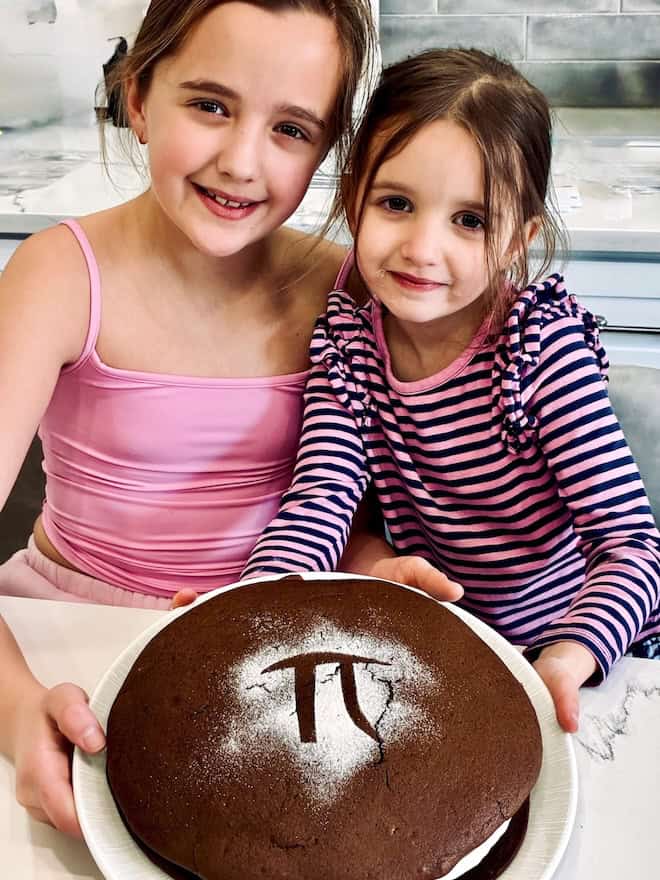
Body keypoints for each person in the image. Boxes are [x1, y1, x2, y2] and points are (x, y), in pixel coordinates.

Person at [0, 0, 462, 838]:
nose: (242, 162)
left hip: (270, 653)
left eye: (292, 129)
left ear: (329, 152)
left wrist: (370, 564)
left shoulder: (350, 288)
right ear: (138, 97)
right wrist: (17, 706)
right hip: (67, 633)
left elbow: (335, 495)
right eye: (210, 105)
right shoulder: (59, 277)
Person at [243, 48, 660, 734]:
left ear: (517, 241)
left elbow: (632, 550)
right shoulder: (348, 347)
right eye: (396, 204)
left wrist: (570, 652)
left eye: (470, 220)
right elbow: (321, 501)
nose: (422, 248)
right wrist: (255, 609)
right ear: (356, 201)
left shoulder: (540, 353)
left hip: (570, 653)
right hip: (437, 653)